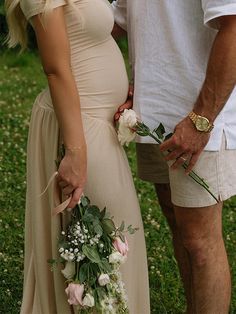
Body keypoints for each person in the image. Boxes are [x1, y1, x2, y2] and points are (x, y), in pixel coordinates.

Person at [5, 0, 150, 313]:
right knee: (104, 244)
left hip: (95, 124)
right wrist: (76, 151)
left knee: (111, 240)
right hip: (80, 129)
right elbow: (56, 69)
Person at [112, 1, 236, 313]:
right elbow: (116, 23)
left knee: (200, 242)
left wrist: (201, 120)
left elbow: (234, 26)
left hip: (199, 114)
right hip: (153, 109)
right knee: (181, 230)